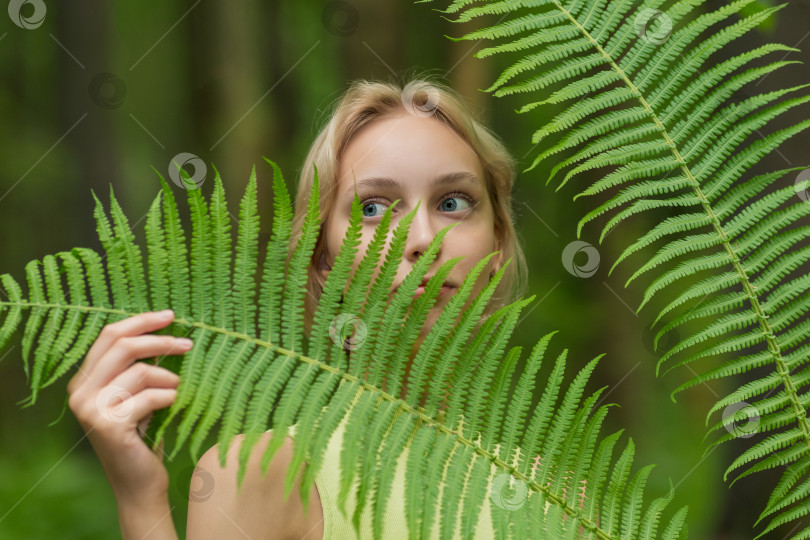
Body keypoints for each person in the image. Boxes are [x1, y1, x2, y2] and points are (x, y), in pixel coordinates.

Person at [66, 76, 528, 539]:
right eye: (373, 209)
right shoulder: (262, 479)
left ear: (498, 242)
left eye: (453, 202)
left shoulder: (571, 498)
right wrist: (141, 499)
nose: (423, 240)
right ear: (323, 261)